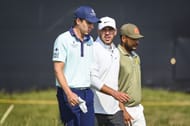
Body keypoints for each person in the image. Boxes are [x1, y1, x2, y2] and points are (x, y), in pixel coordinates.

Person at [52, 6, 129, 126]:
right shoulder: (63, 39)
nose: (92, 26)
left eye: (93, 23)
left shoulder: (90, 41)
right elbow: (58, 70)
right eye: (88, 23)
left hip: (87, 93)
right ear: (78, 21)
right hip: (70, 92)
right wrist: (68, 93)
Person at [90, 16, 126, 126]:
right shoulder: (93, 49)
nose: (107, 33)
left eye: (110, 30)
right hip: (95, 111)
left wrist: (122, 107)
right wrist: (114, 93)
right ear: (98, 31)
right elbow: (92, 79)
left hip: (115, 111)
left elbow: (114, 82)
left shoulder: (116, 51)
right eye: (104, 30)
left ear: (115, 32)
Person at [118, 23, 146, 126]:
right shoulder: (116, 56)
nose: (137, 42)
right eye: (134, 39)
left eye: (138, 39)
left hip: (138, 109)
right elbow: (113, 85)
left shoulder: (136, 57)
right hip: (123, 110)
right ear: (124, 38)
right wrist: (123, 110)